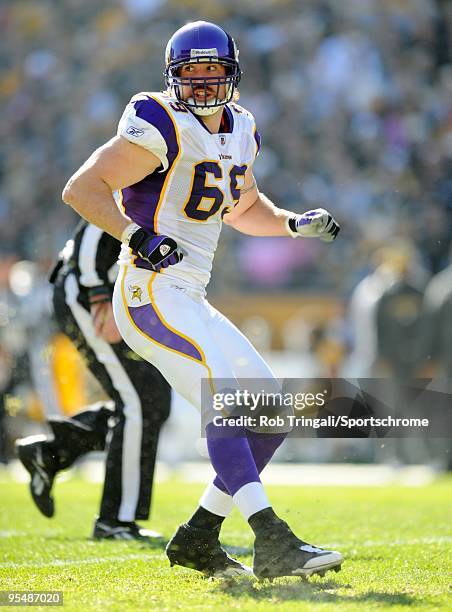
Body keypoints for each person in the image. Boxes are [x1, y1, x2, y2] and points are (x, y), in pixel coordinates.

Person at [62, 21, 342, 579]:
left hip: (190, 294)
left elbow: (243, 206)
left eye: (214, 73)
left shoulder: (240, 128)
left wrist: (291, 223)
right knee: (227, 398)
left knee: (269, 411)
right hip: (149, 292)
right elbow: (82, 189)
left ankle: (198, 537)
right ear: (174, 78)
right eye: (192, 75)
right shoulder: (157, 123)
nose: (205, 86)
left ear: (232, 75)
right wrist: (137, 235)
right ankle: (272, 538)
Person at [16, 221, 171, 541]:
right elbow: (95, 222)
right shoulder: (142, 174)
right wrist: (99, 295)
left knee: (153, 399)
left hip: (118, 297)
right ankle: (115, 520)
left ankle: (53, 452)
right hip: (89, 295)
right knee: (137, 402)